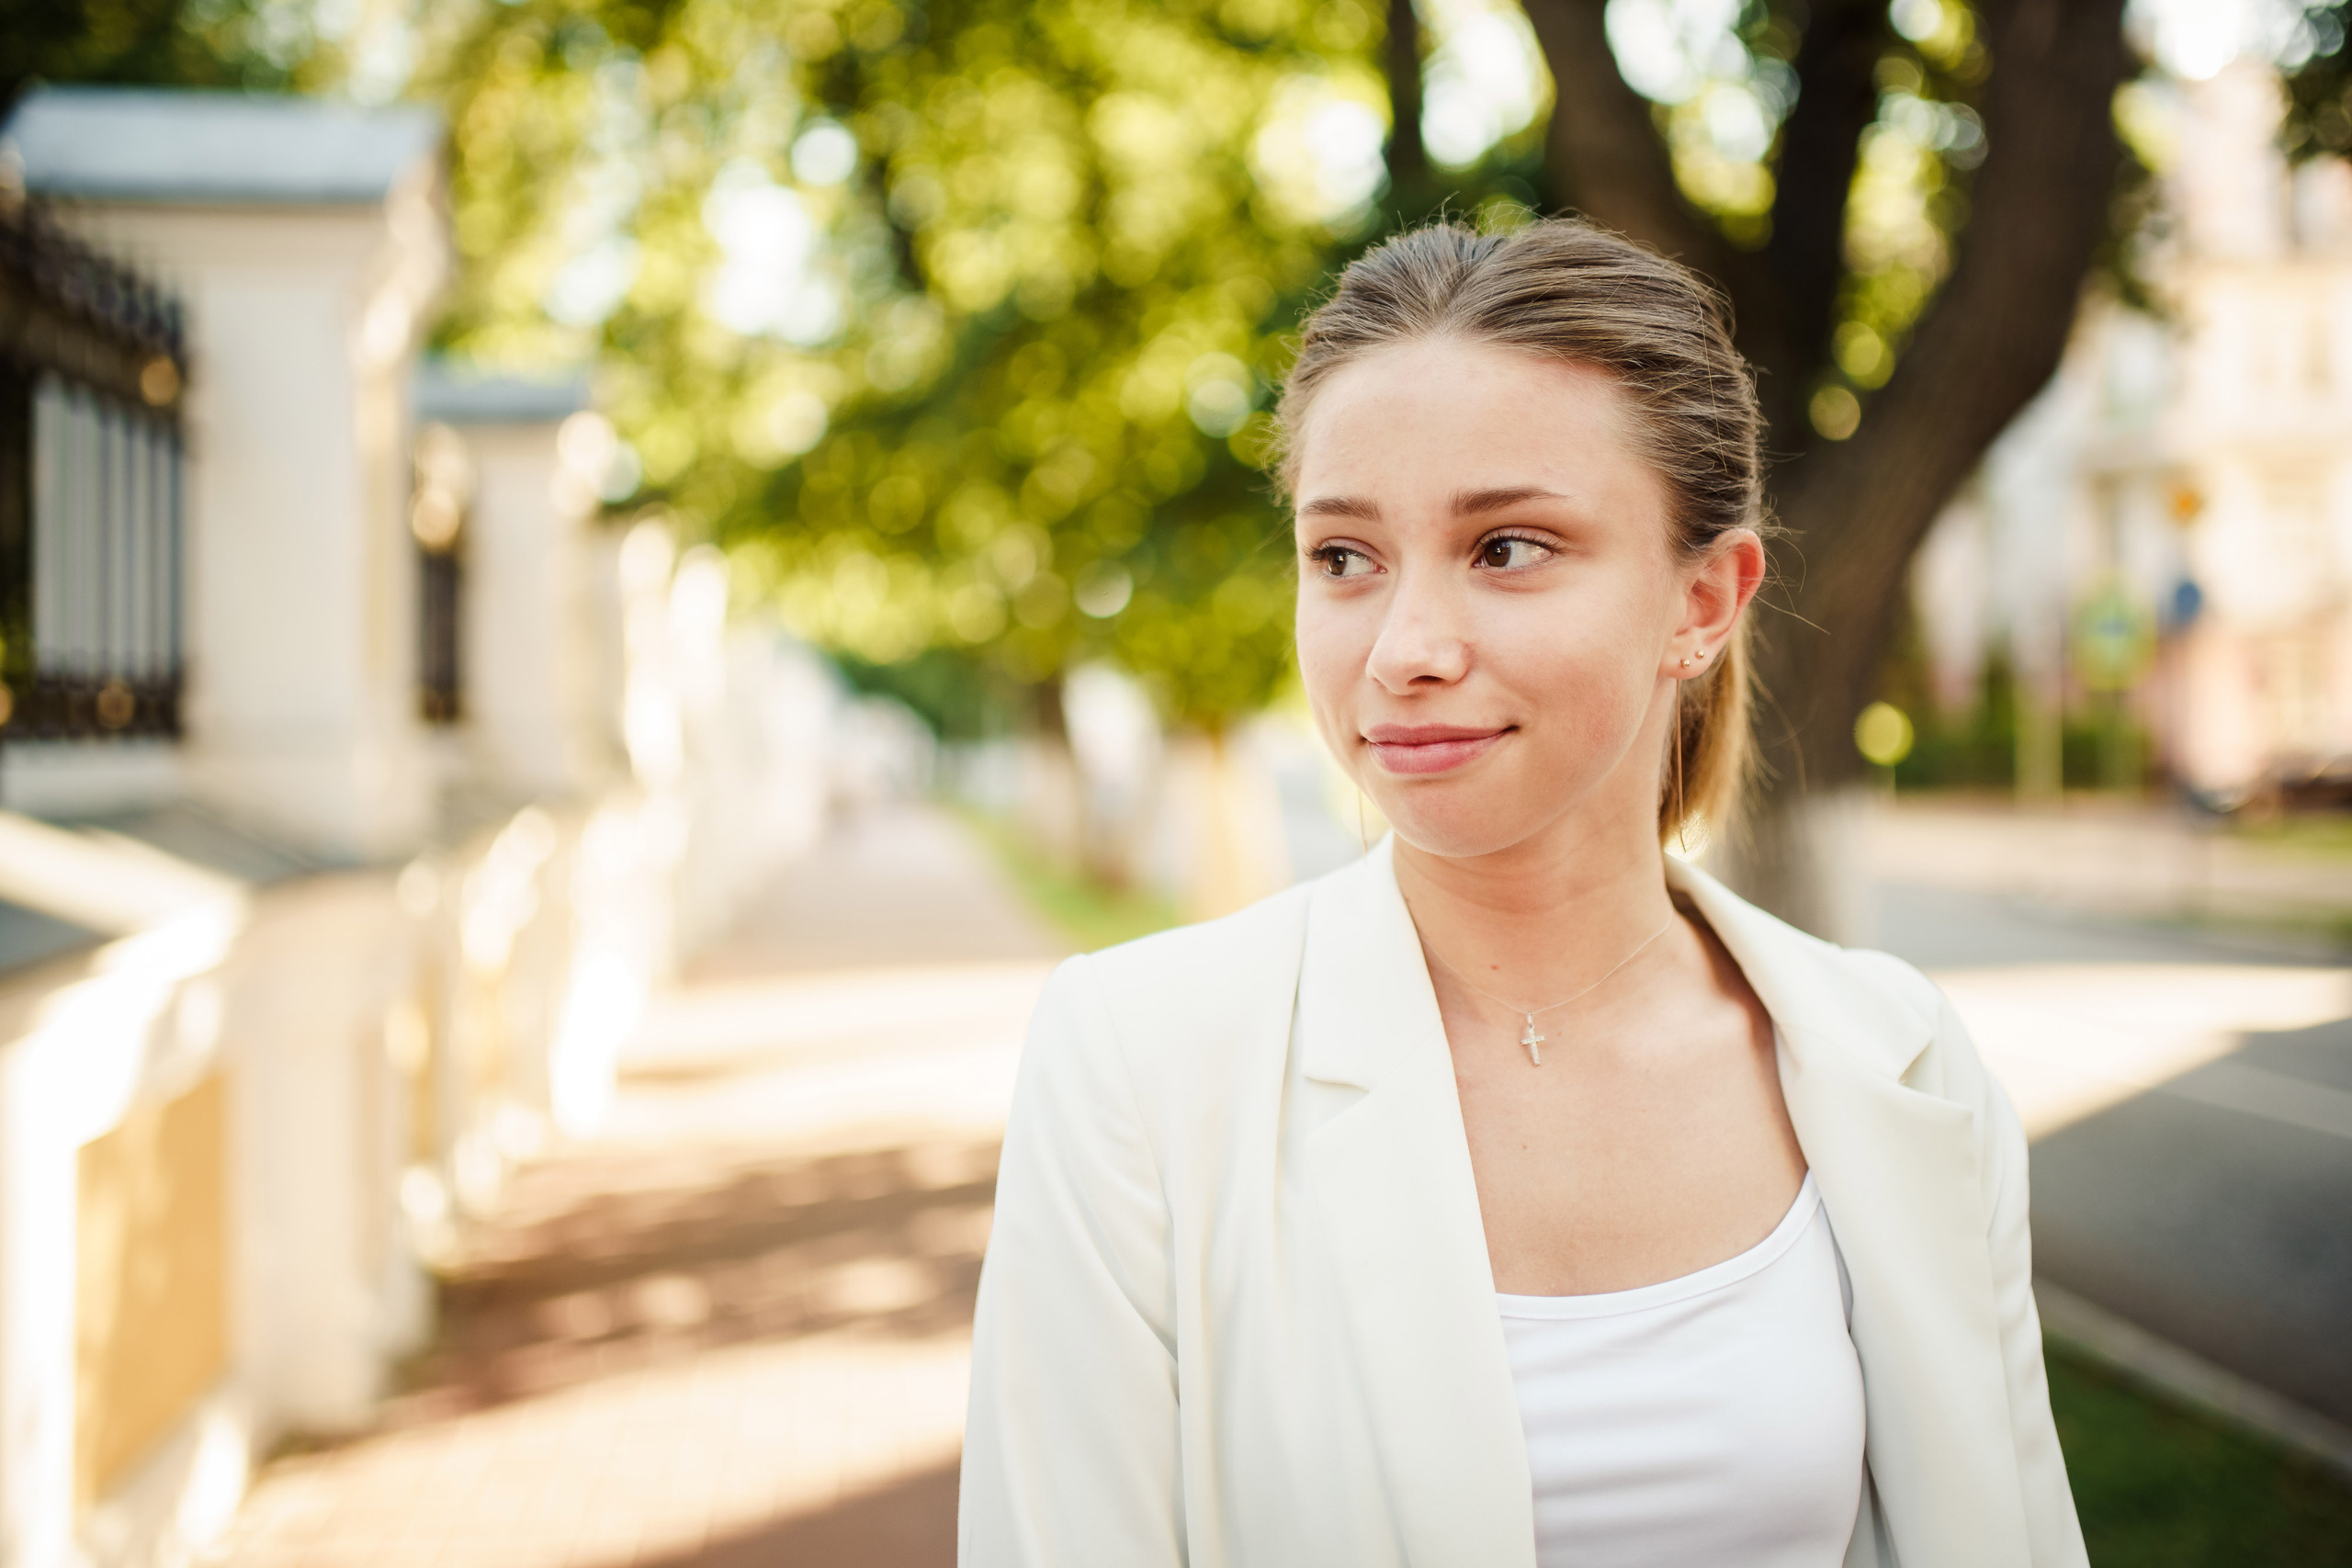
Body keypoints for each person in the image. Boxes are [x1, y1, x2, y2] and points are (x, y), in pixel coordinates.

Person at [958, 219, 2086, 1568]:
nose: (1404, 650)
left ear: (1705, 600)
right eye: (1344, 558)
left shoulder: (1902, 1062)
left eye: (1507, 548)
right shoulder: (1138, 1063)